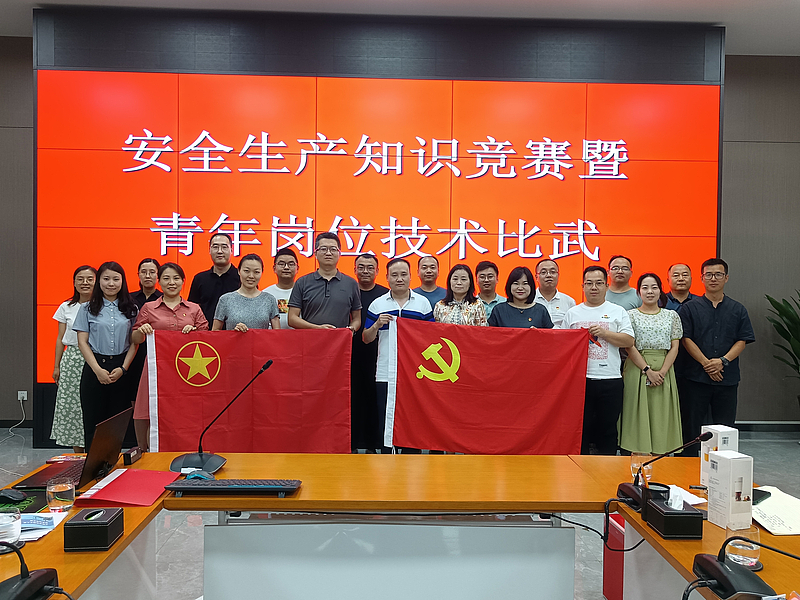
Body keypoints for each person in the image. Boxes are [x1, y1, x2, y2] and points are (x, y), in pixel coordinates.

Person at [679, 258, 755, 453]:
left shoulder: (738, 309)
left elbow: (742, 340)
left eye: (718, 274)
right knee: (691, 428)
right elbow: (686, 339)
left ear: (726, 278)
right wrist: (706, 364)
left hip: (726, 379)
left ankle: (723, 465)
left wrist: (722, 361)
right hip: (695, 378)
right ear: (702, 278)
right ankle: (687, 464)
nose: (713, 278)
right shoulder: (689, 308)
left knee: (725, 429)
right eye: (709, 275)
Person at [131, 263, 208, 450]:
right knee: (149, 411)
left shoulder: (194, 309)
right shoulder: (149, 308)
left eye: (176, 278)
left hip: (187, 371)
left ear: (183, 281)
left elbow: (208, 338)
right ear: (159, 281)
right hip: (156, 369)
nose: (171, 282)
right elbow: (135, 339)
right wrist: (142, 330)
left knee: (185, 412)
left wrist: (195, 332)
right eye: (166, 278)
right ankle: (148, 452)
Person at [561, 266, 635, 455]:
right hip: (580, 381)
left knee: (608, 430)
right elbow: (562, 345)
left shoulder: (618, 311)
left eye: (599, 283)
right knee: (581, 430)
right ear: (582, 286)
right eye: (589, 283)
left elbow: (629, 341)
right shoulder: (572, 313)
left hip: (610, 380)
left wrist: (605, 333)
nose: (594, 287)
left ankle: (608, 470)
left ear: (606, 286)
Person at [363, 258, 434, 453]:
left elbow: (431, 337)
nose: (399, 279)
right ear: (387, 278)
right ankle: (387, 457)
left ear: (411, 276)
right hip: (385, 372)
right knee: (385, 418)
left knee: (412, 418)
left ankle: (412, 456)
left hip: (415, 373)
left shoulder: (423, 304)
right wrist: (377, 325)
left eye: (403, 274)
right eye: (394, 275)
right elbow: (366, 338)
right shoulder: (377, 305)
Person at [73, 261, 139, 450]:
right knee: (92, 422)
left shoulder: (132, 308)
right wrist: (97, 370)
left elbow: (135, 342)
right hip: (95, 367)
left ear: (122, 281)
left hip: (121, 368)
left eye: (116, 279)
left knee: (117, 423)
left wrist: (123, 369)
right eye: (106, 279)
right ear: (99, 281)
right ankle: (93, 465)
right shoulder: (87, 308)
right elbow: (82, 342)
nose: (111, 283)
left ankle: (112, 463)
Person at [619, 273, 684, 454]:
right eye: (645, 288)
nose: (650, 291)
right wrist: (647, 370)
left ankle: (661, 457)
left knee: (661, 415)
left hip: (665, 370)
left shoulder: (671, 316)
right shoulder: (629, 315)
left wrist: (662, 372)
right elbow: (629, 346)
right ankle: (637, 457)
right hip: (637, 368)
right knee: (636, 414)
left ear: (660, 290)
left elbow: (675, 347)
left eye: (654, 287)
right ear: (638, 292)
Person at [51, 265, 96, 452]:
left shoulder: (103, 306)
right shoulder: (66, 307)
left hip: (95, 358)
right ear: (74, 283)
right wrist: (56, 366)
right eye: (80, 279)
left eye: (90, 279)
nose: (85, 283)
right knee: (73, 407)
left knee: (94, 405)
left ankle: (96, 452)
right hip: (72, 359)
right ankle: (78, 455)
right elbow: (60, 338)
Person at [351, 253, 389, 453]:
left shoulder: (385, 295)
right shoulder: (348, 291)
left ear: (377, 271)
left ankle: (374, 445)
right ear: (355, 270)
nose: (365, 271)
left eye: (370, 267)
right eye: (361, 267)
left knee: (375, 400)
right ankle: (352, 444)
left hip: (378, 355)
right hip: (350, 354)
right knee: (353, 399)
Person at [288, 232, 361, 332]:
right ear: (315, 254)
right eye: (323, 249)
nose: (328, 253)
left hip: (340, 339)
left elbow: (357, 318)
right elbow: (292, 318)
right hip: (311, 339)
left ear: (339, 254)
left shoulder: (351, 283)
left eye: (333, 249)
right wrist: (318, 329)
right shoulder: (302, 282)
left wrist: (351, 329)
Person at [213, 254, 280, 331]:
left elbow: (277, 333)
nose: (251, 276)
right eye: (246, 271)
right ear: (239, 271)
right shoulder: (225, 300)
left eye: (256, 272)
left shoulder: (269, 299)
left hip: (261, 340)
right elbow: (215, 332)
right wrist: (232, 333)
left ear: (262, 273)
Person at [188, 232, 241, 325]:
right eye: (215, 247)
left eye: (224, 247)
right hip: (205, 331)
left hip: (235, 330)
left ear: (231, 250)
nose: (220, 251)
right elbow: (192, 309)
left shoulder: (241, 277)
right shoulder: (199, 279)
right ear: (209, 250)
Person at [488, 266, 553, 329]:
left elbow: (549, 335)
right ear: (509, 286)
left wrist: (537, 333)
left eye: (525, 283)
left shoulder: (541, 310)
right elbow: (491, 334)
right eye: (516, 283)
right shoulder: (499, 310)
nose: (520, 288)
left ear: (531, 286)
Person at [533, 259, 576, 328]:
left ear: (558, 275)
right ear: (536, 277)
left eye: (552, 272)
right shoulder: (530, 300)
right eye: (543, 272)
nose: (548, 275)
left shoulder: (569, 302)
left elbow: (573, 329)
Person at [265, 248, 298, 330]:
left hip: (299, 336)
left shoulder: (304, 293)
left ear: (297, 268)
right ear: (274, 268)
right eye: (281, 264)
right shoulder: (266, 294)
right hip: (272, 337)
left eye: (291, 264)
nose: (286, 267)